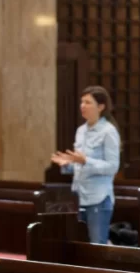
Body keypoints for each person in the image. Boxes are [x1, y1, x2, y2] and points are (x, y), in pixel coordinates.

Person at [51, 86, 121, 244]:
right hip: (78, 196)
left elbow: (112, 167)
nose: (82, 106)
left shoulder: (108, 132)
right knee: (78, 245)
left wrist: (85, 161)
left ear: (101, 107)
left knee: (97, 245)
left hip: (99, 198)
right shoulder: (81, 131)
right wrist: (68, 164)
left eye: (88, 102)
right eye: (82, 102)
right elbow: (79, 165)